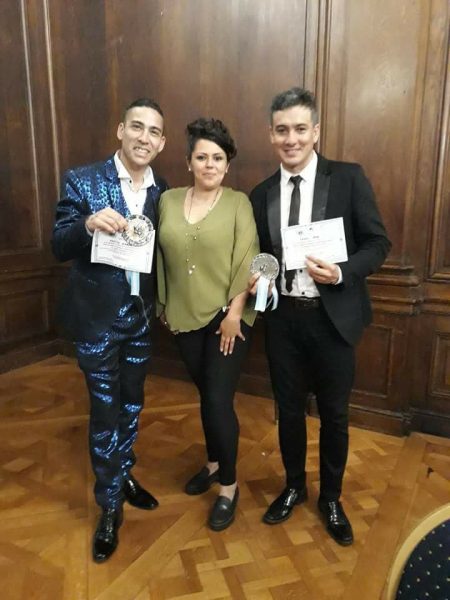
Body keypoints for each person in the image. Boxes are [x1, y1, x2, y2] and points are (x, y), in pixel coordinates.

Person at [249, 87, 391, 545]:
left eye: (299, 129)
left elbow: (378, 243)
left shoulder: (347, 178)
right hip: (283, 321)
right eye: (282, 130)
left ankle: (331, 497)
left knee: (334, 414)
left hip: (334, 320)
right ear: (271, 134)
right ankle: (294, 486)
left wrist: (343, 272)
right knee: (288, 412)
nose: (291, 139)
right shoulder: (261, 194)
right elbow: (261, 257)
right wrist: (257, 278)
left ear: (316, 131)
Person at [51, 98, 168, 562]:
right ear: (121, 130)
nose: (144, 137)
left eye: (153, 131)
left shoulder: (163, 191)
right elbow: (59, 244)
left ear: (162, 142)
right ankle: (109, 504)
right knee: (105, 412)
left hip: (140, 318)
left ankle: (122, 474)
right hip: (97, 320)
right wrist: (86, 224)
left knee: (132, 405)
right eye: (136, 127)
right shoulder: (83, 180)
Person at [157, 118, 259, 531]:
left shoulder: (238, 203)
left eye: (218, 158)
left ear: (227, 165)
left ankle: (228, 487)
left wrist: (234, 314)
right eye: (202, 157)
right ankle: (215, 463)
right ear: (189, 162)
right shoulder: (167, 201)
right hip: (182, 317)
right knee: (206, 396)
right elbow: (158, 255)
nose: (210, 164)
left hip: (226, 318)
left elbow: (247, 257)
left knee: (218, 400)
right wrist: (163, 303)